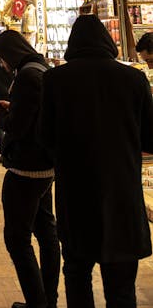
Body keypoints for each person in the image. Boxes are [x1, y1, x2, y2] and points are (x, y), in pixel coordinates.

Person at [41, 15, 153, 308]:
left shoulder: (54, 80)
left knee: (77, 276)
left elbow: (45, 137)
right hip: (122, 196)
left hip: (76, 194)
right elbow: (150, 139)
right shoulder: (134, 79)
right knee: (121, 286)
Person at [0, 29, 60, 308]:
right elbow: (32, 114)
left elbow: (17, 127)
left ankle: (38, 303)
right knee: (46, 233)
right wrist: (11, 106)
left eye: (1, 58)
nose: (1, 64)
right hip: (43, 167)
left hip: (27, 169)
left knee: (17, 240)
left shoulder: (28, 75)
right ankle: (47, 299)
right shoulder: (40, 67)